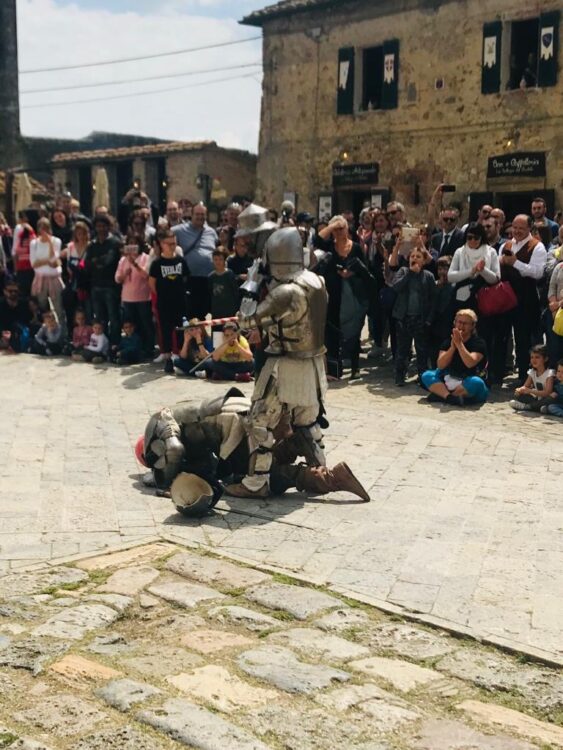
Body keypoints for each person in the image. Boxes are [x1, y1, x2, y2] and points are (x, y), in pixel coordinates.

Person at [225, 227, 329, 499]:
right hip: (313, 363)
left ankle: (256, 483)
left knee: (258, 422)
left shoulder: (286, 293)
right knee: (308, 422)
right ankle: (320, 473)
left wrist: (251, 282)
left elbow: (246, 320)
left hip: (285, 365)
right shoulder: (316, 281)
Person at [139, 390, 369, 511]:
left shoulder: (160, 421)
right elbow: (206, 465)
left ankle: (331, 478)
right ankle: (293, 444)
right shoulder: (179, 420)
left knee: (259, 481)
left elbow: (174, 450)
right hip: (238, 416)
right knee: (251, 466)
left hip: (234, 425)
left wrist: (164, 483)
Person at [317, 215, 374, 379]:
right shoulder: (329, 247)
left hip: (353, 294)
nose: (339, 232)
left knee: (354, 330)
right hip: (333, 294)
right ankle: (335, 370)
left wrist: (351, 273)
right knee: (333, 331)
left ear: (347, 228)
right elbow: (317, 240)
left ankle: (355, 367)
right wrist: (332, 226)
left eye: (341, 228)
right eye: (336, 229)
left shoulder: (355, 247)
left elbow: (364, 270)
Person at [498, 214, 547, 384]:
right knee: (502, 337)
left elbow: (538, 272)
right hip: (505, 298)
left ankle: (525, 377)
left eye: (521, 228)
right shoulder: (505, 245)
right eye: (515, 227)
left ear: (529, 229)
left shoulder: (537, 246)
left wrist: (515, 263)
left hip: (526, 300)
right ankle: (498, 372)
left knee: (524, 339)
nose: (517, 231)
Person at [421, 308, 488, 406]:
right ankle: (450, 398)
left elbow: (470, 363)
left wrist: (459, 345)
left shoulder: (478, 343)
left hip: (468, 381)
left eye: (465, 323)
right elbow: (440, 365)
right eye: (459, 322)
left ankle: (442, 396)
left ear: (473, 326)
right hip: (450, 378)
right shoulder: (448, 341)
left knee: (476, 382)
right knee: (427, 375)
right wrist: (452, 347)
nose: (461, 326)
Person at [391, 246, 436, 386]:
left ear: (424, 261)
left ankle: (422, 377)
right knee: (402, 349)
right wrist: (410, 273)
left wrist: (429, 319)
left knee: (421, 350)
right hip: (404, 317)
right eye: (412, 256)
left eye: (418, 256)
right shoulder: (403, 271)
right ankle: (400, 375)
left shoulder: (428, 276)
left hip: (420, 318)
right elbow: (396, 287)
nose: (415, 259)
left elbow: (433, 299)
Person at [149, 228, 190, 373]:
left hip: (180, 302)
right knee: (165, 330)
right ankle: (167, 357)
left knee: (180, 329)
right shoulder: (157, 263)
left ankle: (180, 356)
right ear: (162, 244)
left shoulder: (180, 261)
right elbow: (152, 283)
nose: (172, 246)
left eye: (174, 243)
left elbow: (186, 278)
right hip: (164, 303)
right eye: (169, 243)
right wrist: (163, 294)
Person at [172, 203, 218, 319]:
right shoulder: (179, 230)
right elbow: (163, 236)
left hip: (209, 279)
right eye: (197, 214)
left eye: (203, 214)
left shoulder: (211, 232)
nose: (200, 217)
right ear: (191, 215)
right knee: (192, 315)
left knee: (207, 314)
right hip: (190, 280)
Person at [85, 215, 123, 347]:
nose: (101, 229)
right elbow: (88, 264)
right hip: (95, 285)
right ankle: (103, 345)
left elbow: (109, 262)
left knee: (114, 318)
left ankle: (114, 344)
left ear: (108, 227)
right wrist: (99, 261)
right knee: (100, 319)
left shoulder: (115, 243)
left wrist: (97, 261)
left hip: (111, 286)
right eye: (98, 226)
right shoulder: (92, 245)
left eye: (103, 226)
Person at [447, 222, 500, 313]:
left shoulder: (491, 252)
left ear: (481, 238)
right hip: (462, 298)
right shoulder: (460, 252)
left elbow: (496, 279)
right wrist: (471, 271)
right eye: (469, 237)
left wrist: (483, 270)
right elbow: (450, 277)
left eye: (476, 238)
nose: (472, 240)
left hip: (484, 299)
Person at [115, 239, 153, 357]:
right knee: (132, 326)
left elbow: (146, 275)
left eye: (134, 243)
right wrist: (124, 274)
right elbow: (117, 278)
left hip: (143, 297)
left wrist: (135, 264)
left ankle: (149, 348)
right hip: (128, 298)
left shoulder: (146, 257)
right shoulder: (123, 260)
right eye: (130, 243)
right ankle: (134, 349)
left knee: (145, 324)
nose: (132, 246)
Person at [29, 218, 66, 330]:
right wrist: (46, 262)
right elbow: (34, 263)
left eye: (46, 228)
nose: (44, 231)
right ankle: (46, 331)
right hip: (40, 278)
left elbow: (53, 261)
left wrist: (50, 243)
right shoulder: (34, 243)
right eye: (42, 228)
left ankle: (62, 332)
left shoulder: (56, 241)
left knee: (58, 307)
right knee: (42, 307)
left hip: (54, 278)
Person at [509, 344, 554, 412]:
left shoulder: (549, 373)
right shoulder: (532, 372)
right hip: (538, 399)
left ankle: (527, 407)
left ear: (545, 359)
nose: (533, 360)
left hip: (547, 399)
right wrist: (520, 390)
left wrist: (530, 391)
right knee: (520, 396)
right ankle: (539, 407)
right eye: (532, 357)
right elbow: (525, 386)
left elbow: (547, 393)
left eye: (537, 357)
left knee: (552, 397)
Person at [63, 221, 91, 327]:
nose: (81, 236)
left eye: (83, 233)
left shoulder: (91, 246)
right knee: (73, 309)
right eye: (79, 234)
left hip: (87, 284)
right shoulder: (70, 247)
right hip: (74, 283)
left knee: (88, 310)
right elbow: (67, 265)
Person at [429, 256, 455, 368]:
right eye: (440, 269)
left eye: (445, 269)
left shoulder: (454, 285)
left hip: (449, 324)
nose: (442, 272)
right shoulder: (435, 285)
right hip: (435, 324)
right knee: (434, 351)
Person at [209, 248, 240, 322]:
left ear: (224, 260)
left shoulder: (229, 274)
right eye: (215, 259)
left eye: (220, 259)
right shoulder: (211, 277)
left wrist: (237, 308)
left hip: (230, 311)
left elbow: (235, 292)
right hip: (216, 312)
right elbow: (210, 294)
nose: (218, 262)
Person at [0, 281, 32, 353]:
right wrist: (2, 333)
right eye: (10, 291)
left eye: (15, 291)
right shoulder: (1, 304)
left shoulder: (24, 303)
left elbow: (27, 320)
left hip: (18, 333)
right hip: (3, 332)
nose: (13, 293)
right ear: (5, 291)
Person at [12, 214, 36, 298]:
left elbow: (15, 251)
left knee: (30, 294)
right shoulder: (21, 232)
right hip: (24, 268)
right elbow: (15, 251)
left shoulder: (30, 233)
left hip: (30, 268)